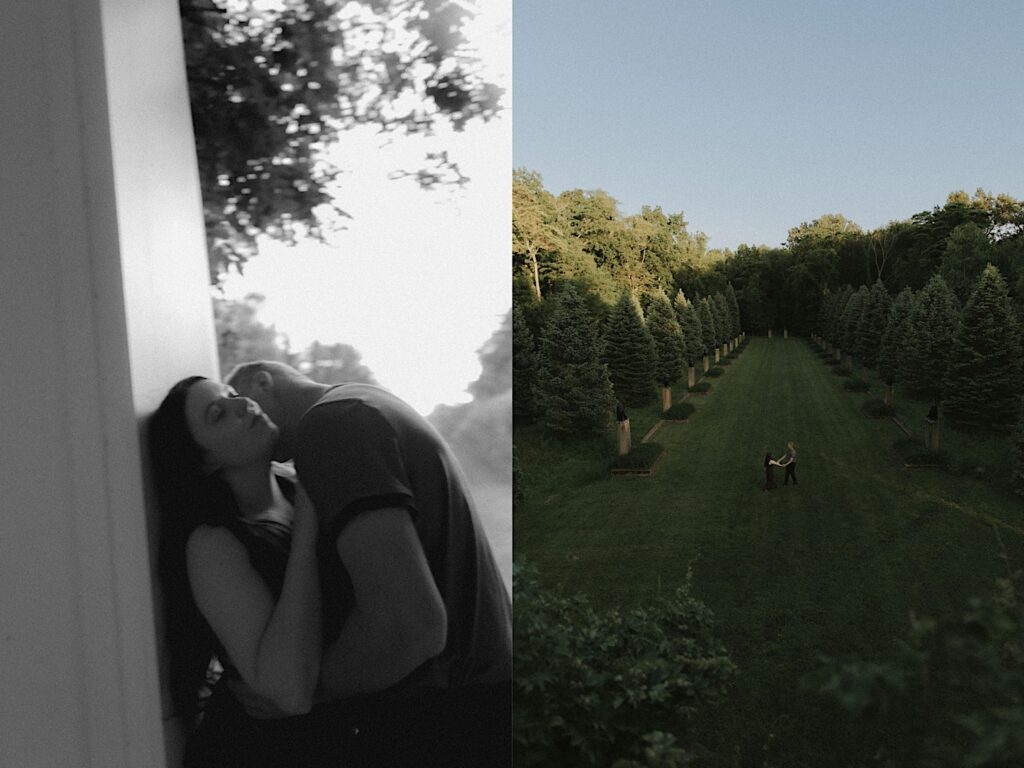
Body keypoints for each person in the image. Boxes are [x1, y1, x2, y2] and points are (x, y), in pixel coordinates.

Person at [227, 360, 513, 767]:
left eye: (237, 401)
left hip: (450, 719)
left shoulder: (331, 425)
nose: (243, 416)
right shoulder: (365, 404)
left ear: (263, 382)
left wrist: (303, 689)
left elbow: (409, 627)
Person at [149, 376, 353, 768]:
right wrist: (307, 532)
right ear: (205, 460)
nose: (242, 404)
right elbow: (289, 693)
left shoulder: (298, 485)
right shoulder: (212, 543)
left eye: (232, 395)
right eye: (218, 413)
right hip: (254, 752)